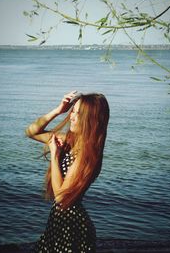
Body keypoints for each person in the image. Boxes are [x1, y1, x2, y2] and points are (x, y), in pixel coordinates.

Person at [25, 90, 110, 253]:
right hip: (59, 222)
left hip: (72, 226)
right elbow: (31, 131)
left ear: (90, 120)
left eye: (78, 114)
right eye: (73, 111)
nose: (71, 116)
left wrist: (55, 156)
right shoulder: (69, 142)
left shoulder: (87, 155)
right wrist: (58, 110)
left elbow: (62, 197)